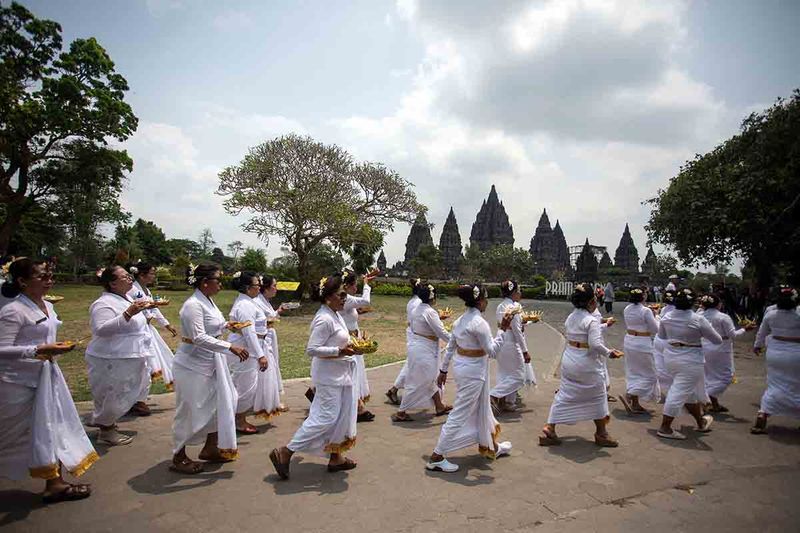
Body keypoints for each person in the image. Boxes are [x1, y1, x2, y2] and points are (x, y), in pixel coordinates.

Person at [0, 258, 98, 503]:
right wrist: (36, 350)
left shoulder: (47, 306)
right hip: (18, 382)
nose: (49, 281)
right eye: (43, 277)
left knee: (50, 428)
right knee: (11, 437)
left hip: (45, 377)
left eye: (50, 276)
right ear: (22, 281)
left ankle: (54, 483)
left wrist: (50, 349)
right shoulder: (13, 311)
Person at [269, 275, 362, 479]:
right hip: (329, 377)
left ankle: (336, 457)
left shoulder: (334, 313)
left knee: (340, 416)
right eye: (341, 295)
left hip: (341, 373)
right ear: (328, 297)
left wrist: (352, 347)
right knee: (326, 416)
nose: (345, 298)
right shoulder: (324, 318)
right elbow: (312, 349)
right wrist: (339, 351)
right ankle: (286, 451)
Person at [170, 264, 249, 474]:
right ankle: (178, 456)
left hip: (212, 362)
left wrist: (227, 326)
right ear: (205, 282)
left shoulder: (208, 301)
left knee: (225, 401)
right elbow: (198, 337)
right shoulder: (192, 305)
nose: (221, 284)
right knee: (190, 409)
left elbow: (213, 326)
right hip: (192, 365)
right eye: (217, 279)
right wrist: (229, 346)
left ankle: (211, 447)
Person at [426, 284, 513, 473]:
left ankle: (492, 446)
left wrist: (443, 370)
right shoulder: (479, 323)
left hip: (466, 369)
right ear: (480, 301)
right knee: (460, 413)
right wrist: (503, 330)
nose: (487, 302)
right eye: (486, 299)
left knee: (483, 408)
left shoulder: (460, 321)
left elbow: (450, 347)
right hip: (473, 373)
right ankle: (436, 456)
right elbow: (493, 351)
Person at [540, 283, 624, 447]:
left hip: (570, 358)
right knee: (599, 394)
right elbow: (594, 343)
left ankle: (550, 427)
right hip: (586, 362)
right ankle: (601, 433)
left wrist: (604, 325)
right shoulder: (591, 320)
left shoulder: (571, 317)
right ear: (592, 302)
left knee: (565, 393)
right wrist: (609, 353)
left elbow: (584, 332)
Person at [85, 266, 154, 445]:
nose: (130, 278)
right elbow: (100, 329)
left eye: (129, 275)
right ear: (113, 283)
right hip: (113, 357)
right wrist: (128, 313)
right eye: (125, 277)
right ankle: (106, 430)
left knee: (126, 391)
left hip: (131, 354)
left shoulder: (127, 298)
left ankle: (105, 421)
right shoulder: (103, 303)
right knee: (114, 392)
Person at [656, 288, 722, 440]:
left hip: (671, 356)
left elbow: (662, 336)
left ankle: (701, 421)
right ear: (693, 302)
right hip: (690, 359)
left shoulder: (666, 317)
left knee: (688, 393)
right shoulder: (697, 319)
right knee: (678, 392)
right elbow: (717, 340)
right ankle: (665, 427)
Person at [392, 283, 451, 422]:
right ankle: (401, 412)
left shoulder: (417, 308)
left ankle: (439, 406)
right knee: (420, 381)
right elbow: (441, 332)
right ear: (433, 297)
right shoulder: (430, 312)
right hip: (424, 349)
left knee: (430, 378)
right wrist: (455, 341)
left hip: (418, 346)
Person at [228, 271, 277, 434]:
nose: (260, 287)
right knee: (246, 386)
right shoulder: (244, 306)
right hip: (246, 348)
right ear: (248, 288)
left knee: (247, 384)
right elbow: (249, 333)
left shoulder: (249, 302)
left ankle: (237, 416)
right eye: (257, 285)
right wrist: (260, 355)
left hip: (255, 345)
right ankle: (238, 420)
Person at [751, 286, 800, 434]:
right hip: (796, 353)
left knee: (774, 384)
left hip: (775, 354)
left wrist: (757, 346)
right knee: (797, 385)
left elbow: (761, 333)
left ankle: (763, 413)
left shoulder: (770, 315)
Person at [127, 262, 178, 392]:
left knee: (159, 357)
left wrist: (167, 324)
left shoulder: (146, 290)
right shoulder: (133, 290)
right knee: (144, 362)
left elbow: (154, 309)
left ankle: (140, 396)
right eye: (152, 273)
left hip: (148, 328)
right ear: (142, 275)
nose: (154, 275)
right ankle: (137, 396)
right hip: (138, 330)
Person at [700, 294, 752, 413]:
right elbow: (733, 335)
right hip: (721, 348)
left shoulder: (699, 316)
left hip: (704, 346)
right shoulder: (723, 317)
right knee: (726, 377)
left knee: (708, 375)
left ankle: (714, 404)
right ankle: (707, 397)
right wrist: (745, 329)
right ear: (718, 304)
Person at [490, 280, 533, 413]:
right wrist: (525, 351)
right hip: (511, 343)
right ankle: (493, 395)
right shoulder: (514, 308)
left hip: (501, 340)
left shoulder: (500, 306)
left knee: (505, 373)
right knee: (519, 376)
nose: (520, 294)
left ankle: (505, 402)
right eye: (519, 291)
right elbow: (517, 331)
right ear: (514, 293)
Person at [341, 269, 378, 422]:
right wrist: (366, 284)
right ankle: (358, 406)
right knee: (351, 373)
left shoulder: (346, 299)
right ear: (347, 286)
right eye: (354, 286)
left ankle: (358, 405)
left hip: (353, 337)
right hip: (348, 339)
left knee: (353, 372)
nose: (356, 289)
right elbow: (366, 301)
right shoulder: (346, 298)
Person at [619, 288, 661, 414]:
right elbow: (656, 329)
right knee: (651, 375)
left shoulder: (627, 309)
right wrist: (656, 316)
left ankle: (635, 403)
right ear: (643, 297)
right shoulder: (646, 310)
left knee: (634, 371)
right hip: (643, 343)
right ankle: (631, 393)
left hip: (630, 340)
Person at [255, 274, 289, 412]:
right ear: (266, 288)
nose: (276, 289)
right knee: (268, 367)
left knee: (273, 366)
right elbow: (263, 320)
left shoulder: (265, 301)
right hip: (264, 337)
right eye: (274, 286)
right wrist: (274, 316)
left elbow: (270, 317)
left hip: (270, 336)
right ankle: (269, 401)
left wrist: (278, 311)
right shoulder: (257, 302)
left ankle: (270, 398)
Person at [385, 278, 422, 405]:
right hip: (416, 335)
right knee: (412, 364)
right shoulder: (418, 303)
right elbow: (419, 320)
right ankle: (394, 389)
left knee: (413, 364)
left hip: (414, 333)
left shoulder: (412, 301)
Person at [653, 290, 676, 398]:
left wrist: (656, 315)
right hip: (670, 340)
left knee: (660, 365)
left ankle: (663, 387)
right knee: (671, 366)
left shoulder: (664, 310)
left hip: (659, 339)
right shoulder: (677, 311)